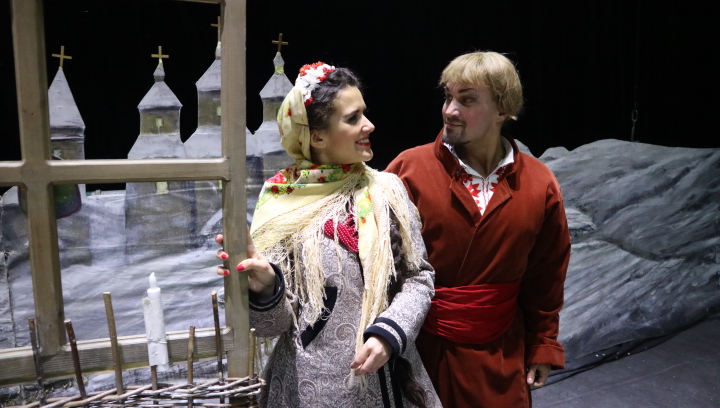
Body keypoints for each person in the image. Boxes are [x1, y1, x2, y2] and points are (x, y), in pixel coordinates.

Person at [216, 62, 441, 408]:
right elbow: (272, 325)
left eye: (364, 113)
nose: (369, 124)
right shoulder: (282, 203)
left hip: (396, 383)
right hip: (316, 390)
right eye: (353, 118)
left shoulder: (388, 191)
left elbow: (418, 278)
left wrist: (390, 334)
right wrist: (266, 287)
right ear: (317, 137)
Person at [385, 51, 571, 408]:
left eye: (467, 100)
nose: (450, 110)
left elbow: (546, 274)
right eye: (448, 97)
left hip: (503, 354)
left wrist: (543, 342)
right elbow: (378, 269)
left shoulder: (539, 182)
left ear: (502, 110)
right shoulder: (407, 170)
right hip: (421, 353)